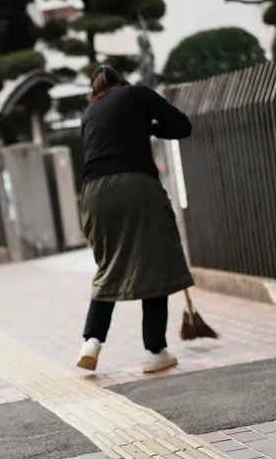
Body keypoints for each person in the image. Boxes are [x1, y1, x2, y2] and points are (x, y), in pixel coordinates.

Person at [77, 64, 193, 374]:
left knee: (109, 265)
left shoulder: (89, 113)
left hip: (94, 194)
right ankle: (155, 350)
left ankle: (91, 341)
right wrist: (151, 127)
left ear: (95, 91)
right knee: (153, 260)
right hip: (136, 184)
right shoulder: (138, 94)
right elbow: (182, 126)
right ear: (123, 82)